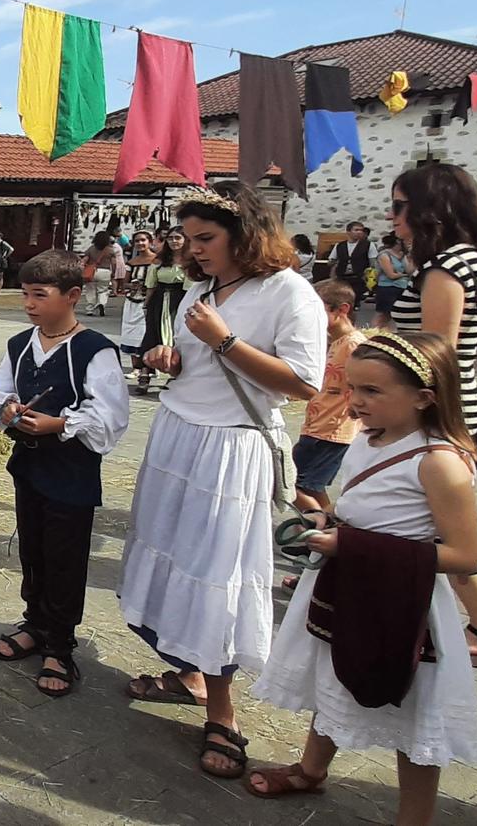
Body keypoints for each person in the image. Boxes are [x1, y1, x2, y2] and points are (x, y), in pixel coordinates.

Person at [117, 184, 325, 779]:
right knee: (176, 560)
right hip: (178, 435)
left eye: (206, 238)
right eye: (189, 239)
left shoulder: (290, 293)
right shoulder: (200, 290)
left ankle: (225, 712)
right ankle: (190, 672)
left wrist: (225, 341)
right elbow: (197, 361)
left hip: (231, 448)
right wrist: (172, 358)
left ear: (245, 234)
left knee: (217, 575)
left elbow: (304, 383)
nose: (195, 250)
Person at [247, 332, 477, 826]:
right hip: (348, 588)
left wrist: (352, 545)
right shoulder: (370, 439)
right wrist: (327, 525)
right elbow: (362, 512)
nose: (355, 402)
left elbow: (464, 554)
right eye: (353, 388)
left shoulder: (439, 462)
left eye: (373, 392)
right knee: (334, 675)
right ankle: (312, 770)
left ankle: (413, 818)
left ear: (424, 397)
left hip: (402, 605)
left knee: (414, 717)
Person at [0, 249, 131, 697]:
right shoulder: (20, 344)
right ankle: (35, 623)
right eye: (25, 294)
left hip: (71, 471)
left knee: (65, 556)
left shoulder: (93, 350)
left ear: (73, 296)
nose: (29, 304)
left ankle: (60, 646)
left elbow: (110, 415)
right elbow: (0, 392)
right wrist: (8, 409)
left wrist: (61, 423)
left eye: (39, 295)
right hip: (29, 464)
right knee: (34, 547)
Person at [384, 162, 477, 672]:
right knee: (443, 524)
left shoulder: (446, 267)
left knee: (443, 526)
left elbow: (434, 351)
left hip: (434, 412)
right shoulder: (467, 260)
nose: (393, 217)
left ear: (428, 210)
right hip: (450, 408)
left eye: (400, 206)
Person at [291, 280, 366, 516]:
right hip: (317, 425)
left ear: (341, 310)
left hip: (334, 430)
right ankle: (322, 525)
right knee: (305, 485)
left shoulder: (354, 345)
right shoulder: (334, 342)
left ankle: (323, 528)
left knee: (296, 485)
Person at [136, 228, 189, 394]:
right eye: (171, 238)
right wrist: (146, 305)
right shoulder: (159, 261)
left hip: (179, 300)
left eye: (178, 238)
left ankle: (174, 375)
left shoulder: (190, 262)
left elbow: (190, 288)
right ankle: (144, 374)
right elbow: (151, 285)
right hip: (158, 301)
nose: (174, 241)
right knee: (152, 334)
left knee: (176, 336)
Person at [119, 231, 155, 385]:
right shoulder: (132, 262)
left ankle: (148, 367)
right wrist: (131, 286)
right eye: (137, 241)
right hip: (132, 301)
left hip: (149, 301)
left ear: (150, 241)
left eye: (143, 240)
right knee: (130, 331)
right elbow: (123, 284)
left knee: (145, 333)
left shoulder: (156, 261)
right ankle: (136, 367)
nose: (140, 244)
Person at [323, 221, 372, 311]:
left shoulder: (368, 245)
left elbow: (373, 262)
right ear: (348, 232)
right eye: (356, 230)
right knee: (342, 298)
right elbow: (331, 261)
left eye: (361, 230)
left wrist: (369, 277)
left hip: (359, 276)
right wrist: (333, 264)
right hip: (342, 276)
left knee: (354, 299)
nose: (359, 232)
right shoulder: (340, 245)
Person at [373, 233, 413, 330]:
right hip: (388, 288)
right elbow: (391, 275)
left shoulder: (403, 255)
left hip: (402, 287)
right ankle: (375, 332)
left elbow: (409, 270)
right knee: (384, 315)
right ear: (398, 241)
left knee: (396, 315)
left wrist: (411, 256)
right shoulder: (384, 255)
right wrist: (404, 275)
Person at [82, 233, 122, 317]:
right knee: (103, 290)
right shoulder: (110, 250)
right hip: (105, 271)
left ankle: (90, 308)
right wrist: (113, 272)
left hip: (92, 271)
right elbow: (114, 263)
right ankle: (102, 303)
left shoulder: (91, 249)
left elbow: (84, 260)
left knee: (90, 290)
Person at [0, 231, 16, 297]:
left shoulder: (3, 243)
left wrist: (5, 256)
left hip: (0, 263)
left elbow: (11, 249)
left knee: (0, 278)